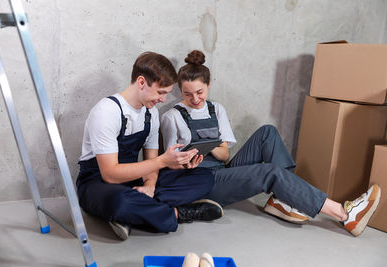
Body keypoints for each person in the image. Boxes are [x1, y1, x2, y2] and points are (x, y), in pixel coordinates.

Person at [160, 50, 381, 237]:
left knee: (268, 132)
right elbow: (168, 165)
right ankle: (345, 214)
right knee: (269, 173)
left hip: (223, 172)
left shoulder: (216, 109)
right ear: (180, 91)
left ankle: (282, 201)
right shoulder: (172, 117)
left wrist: (210, 148)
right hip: (202, 182)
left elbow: (225, 156)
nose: (195, 99)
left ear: (208, 85)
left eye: (200, 92)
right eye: (188, 95)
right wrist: (198, 155)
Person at [76, 52, 223, 241]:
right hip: (98, 182)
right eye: (160, 92)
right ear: (141, 82)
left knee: (203, 178)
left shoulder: (150, 114)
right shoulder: (107, 111)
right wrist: (163, 161)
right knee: (119, 202)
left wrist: (150, 185)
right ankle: (178, 214)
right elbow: (110, 174)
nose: (163, 99)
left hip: (134, 179)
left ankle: (136, 211)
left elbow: (151, 162)